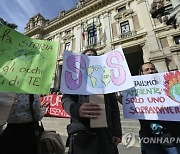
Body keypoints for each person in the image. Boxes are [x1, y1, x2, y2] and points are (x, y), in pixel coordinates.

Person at [62, 48, 122, 154]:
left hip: (106, 135)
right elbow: (66, 99)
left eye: (94, 56)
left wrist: (117, 132)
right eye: (88, 56)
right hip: (82, 135)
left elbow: (114, 109)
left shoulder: (107, 82)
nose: (91, 57)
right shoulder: (75, 80)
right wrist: (77, 109)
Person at [138, 62, 180, 154]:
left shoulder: (168, 85)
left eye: (152, 69)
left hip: (171, 136)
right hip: (149, 138)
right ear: (141, 73)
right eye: (146, 70)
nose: (150, 71)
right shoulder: (136, 91)